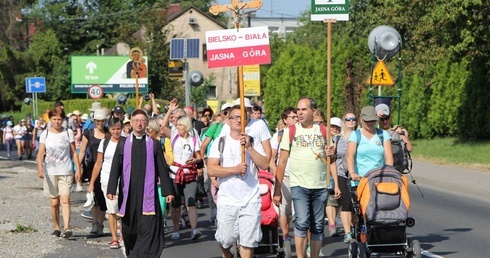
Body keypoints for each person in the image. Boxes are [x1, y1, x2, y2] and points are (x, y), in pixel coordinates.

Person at [273, 97, 340, 258]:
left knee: (317, 225)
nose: (300, 113)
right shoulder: (291, 131)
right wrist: (277, 189)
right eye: (298, 110)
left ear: (313, 111)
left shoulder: (324, 131)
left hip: (320, 185)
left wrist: (336, 182)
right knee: (302, 221)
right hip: (299, 185)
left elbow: (331, 160)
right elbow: (281, 163)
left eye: (304, 109)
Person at [107, 108, 174, 257]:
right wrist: (111, 188)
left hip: (148, 197)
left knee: (149, 229)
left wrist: (168, 191)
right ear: (131, 123)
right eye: (136, 121)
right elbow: (115, 167)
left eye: (142, 121)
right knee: (130, 230)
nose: (139, 124)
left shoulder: (154, 144)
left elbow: (162, 168)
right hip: (129, 194)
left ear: (147, 124)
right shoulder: (123, 144)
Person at [207, 105, 269, 258]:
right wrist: (234, 170)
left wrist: (250, 148)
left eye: (242, 117)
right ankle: (227, 254)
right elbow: (212, 169)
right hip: (227, 199)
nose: (238, 120)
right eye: (235, 117)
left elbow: (265, 164)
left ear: (247, 121)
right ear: (228, 120)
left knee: (248, 241)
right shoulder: (220, 142)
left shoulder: (253, 141)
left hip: (250, 200)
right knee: (226, 239)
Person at [36, 106, 81, 239]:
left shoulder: (68, 133)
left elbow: (74, 152)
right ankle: (57, 227)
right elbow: (40, 153)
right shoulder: (46, 134)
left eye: (59, 119)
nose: (57, 122)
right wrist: (40, 167)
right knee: (54, 202)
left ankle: (67, 227)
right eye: (54, 119)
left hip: (66, 170)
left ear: (63, 120)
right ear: (50, 119)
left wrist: (77, 168)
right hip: (50, 171)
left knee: (65, 199)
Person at [88, 118, 123, 249]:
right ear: (109, 129)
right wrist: (91, 183)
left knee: (123, 210)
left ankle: (123, 233)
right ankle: (114, 237)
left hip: (123, 180)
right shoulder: (105, 142)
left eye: (118, 129)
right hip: (107, 180)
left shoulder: (126, 142)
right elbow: (98, 164)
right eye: (113, 129)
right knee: (112, 210)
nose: (116, 132)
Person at [168, 115, 203, 241]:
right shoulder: (174, 136)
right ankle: (176, 229)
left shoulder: (193, 140)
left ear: (186, 126)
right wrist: (171, 110)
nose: (178, 127)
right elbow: (163, 126)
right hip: (175, 173)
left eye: (180, 125)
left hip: (189, 174)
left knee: (191, 201)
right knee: (175, 203)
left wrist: (195, 160)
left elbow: (199, 156)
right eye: (177, 125)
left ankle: (194, 229)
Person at [269, 107, 298, 245]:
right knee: (284, 210)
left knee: (303, 212)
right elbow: (271, 158)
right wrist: (276, 174)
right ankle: (286, 236)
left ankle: (309, 243)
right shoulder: (279, 135)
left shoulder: (302, 133)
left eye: (296, 116)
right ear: (285, 120)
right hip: (285, 177)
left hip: (300, 177)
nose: (295, 119)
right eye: (292, 117)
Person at [79, 109, 109, 233]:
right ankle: (95, 223)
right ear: (94, 121)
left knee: (103, 197)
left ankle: (100, 224)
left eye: (102, 121)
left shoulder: (109, 134)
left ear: (105, 121)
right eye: (98, 121)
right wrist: (78, 167)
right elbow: (82, 151)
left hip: (106, 168)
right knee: (94, 196)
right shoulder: (88, 133)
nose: (100, 123)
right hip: (92, 168)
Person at [346, 106, 393, 183]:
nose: (370, 123)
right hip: (360, 179)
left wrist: (389, 172)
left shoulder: (383, 134)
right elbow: (350, 155)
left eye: (373, 121)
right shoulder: (355, 135)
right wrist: (352, 173)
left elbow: (389, 155)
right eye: (367, 121)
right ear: (361, 119)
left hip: (379, 179)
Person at [332, 112, 359, 243]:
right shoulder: (337, 138)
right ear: (344, 121)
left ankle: (355, 225)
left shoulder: (360, 136)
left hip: (357, 174)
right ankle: (347, 232)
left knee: (359, 204)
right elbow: (332, 158)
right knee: (346, 202)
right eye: (348, 119)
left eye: (354, 119)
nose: (351, 121)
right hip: (342, 173)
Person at [325, 116, 342, 237]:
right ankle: (331, 224)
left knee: (337, 201)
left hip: (340, 172)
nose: (335, 129)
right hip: (327, 173)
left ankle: (333, 220)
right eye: (332, 126)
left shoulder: (341, 139)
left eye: (337, 127)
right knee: (330, 201)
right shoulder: (325, 139)